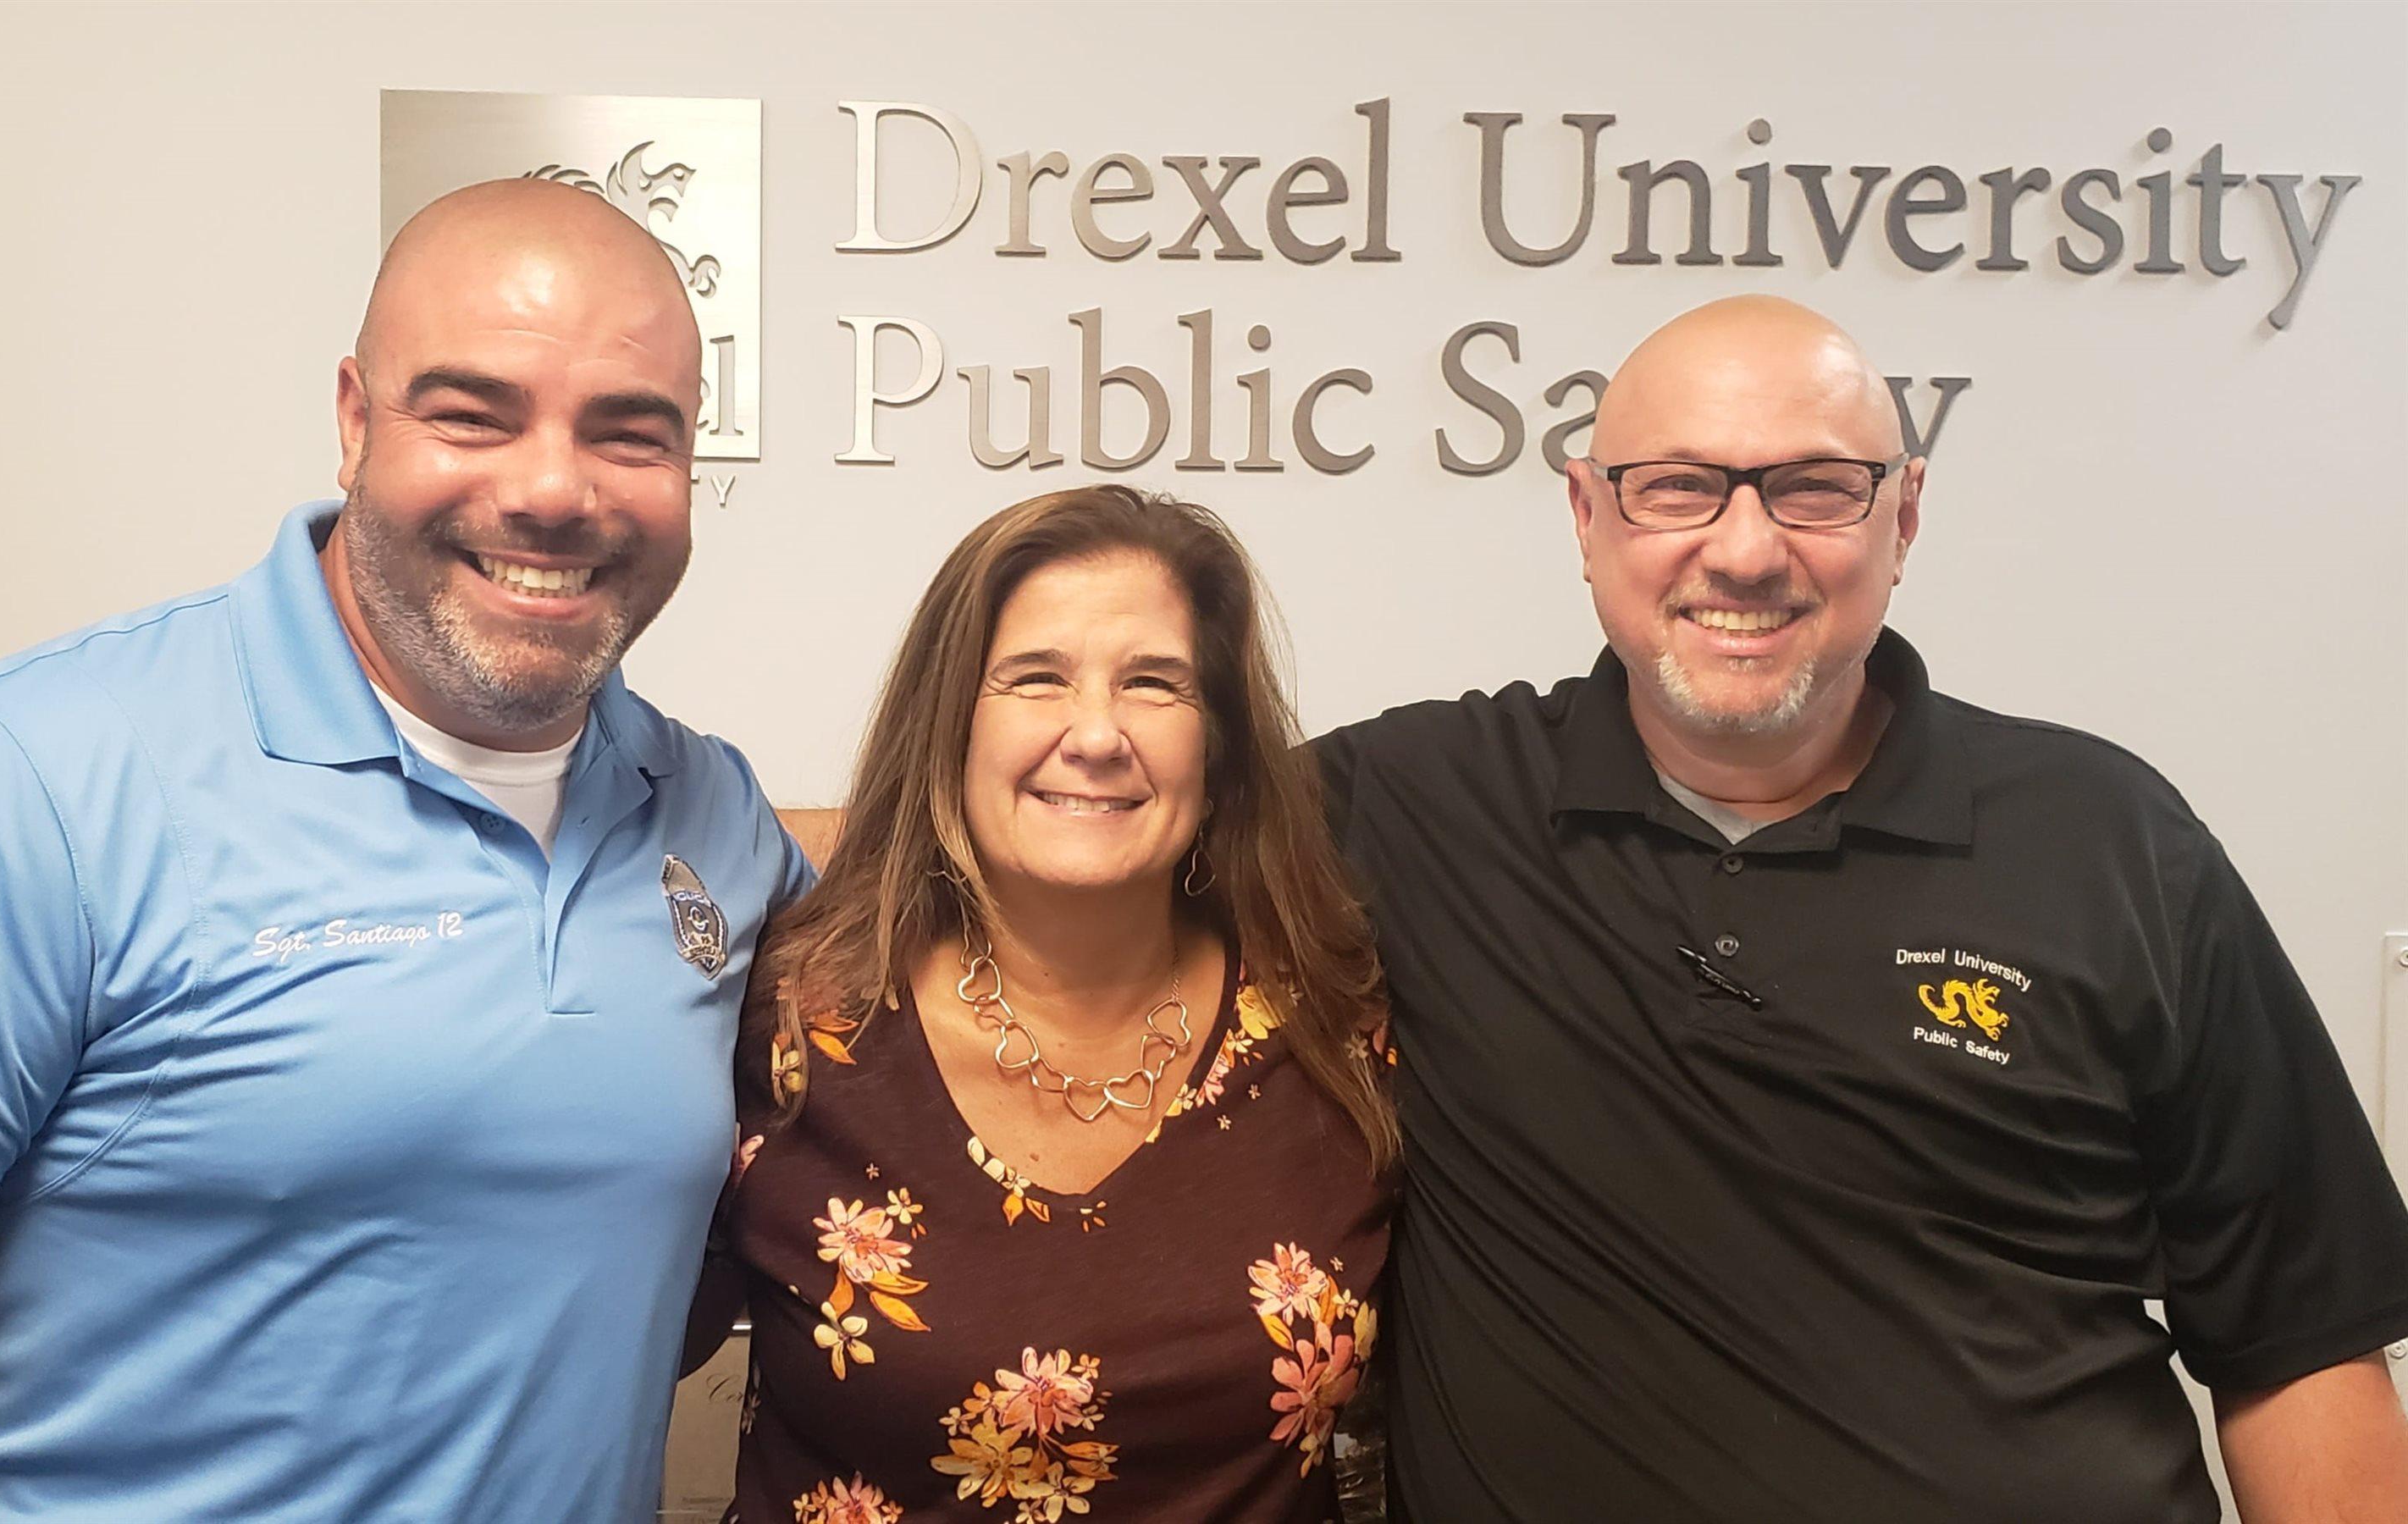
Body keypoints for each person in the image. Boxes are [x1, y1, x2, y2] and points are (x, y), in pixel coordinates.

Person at [0, 179, 812, 1521]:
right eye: (473, 414)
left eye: (630, 434)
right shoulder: (17, 785)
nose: (552, 490)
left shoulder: (710, 821)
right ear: (353, 420)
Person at [1311, 294, 2408, 1523]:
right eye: (1678, 487)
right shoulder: (1400, 809)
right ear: (1586, 515)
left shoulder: (2110, 840)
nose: (1743, 550)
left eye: (1817, 488)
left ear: (1906, 515)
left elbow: (2300, 1342)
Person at [718, 486, 1397, 1523]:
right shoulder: (789, 1023)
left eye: (1154, 684)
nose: (1095, 733)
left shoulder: (1337, 1027)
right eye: (1034, 678)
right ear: (949, 727)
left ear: (1217, 752)